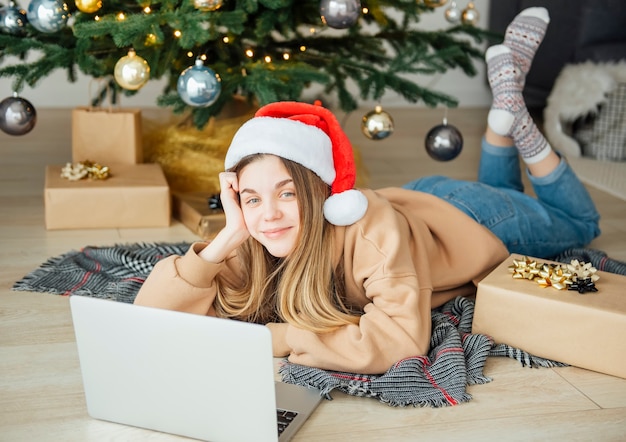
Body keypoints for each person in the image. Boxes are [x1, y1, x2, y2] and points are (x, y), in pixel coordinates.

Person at [134, 7, 600, 375]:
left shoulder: (370, 237)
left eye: (287, 193)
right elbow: (149, 317)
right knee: (505, 189)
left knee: (582, 224)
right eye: (252, 198)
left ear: (319, 194)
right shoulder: (255, 234)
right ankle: (501, 119)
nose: (269, 215)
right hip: (414, 207)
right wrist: (227, 237)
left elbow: (398, 341)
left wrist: (279, 338)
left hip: (469, 219)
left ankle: (517, 119)